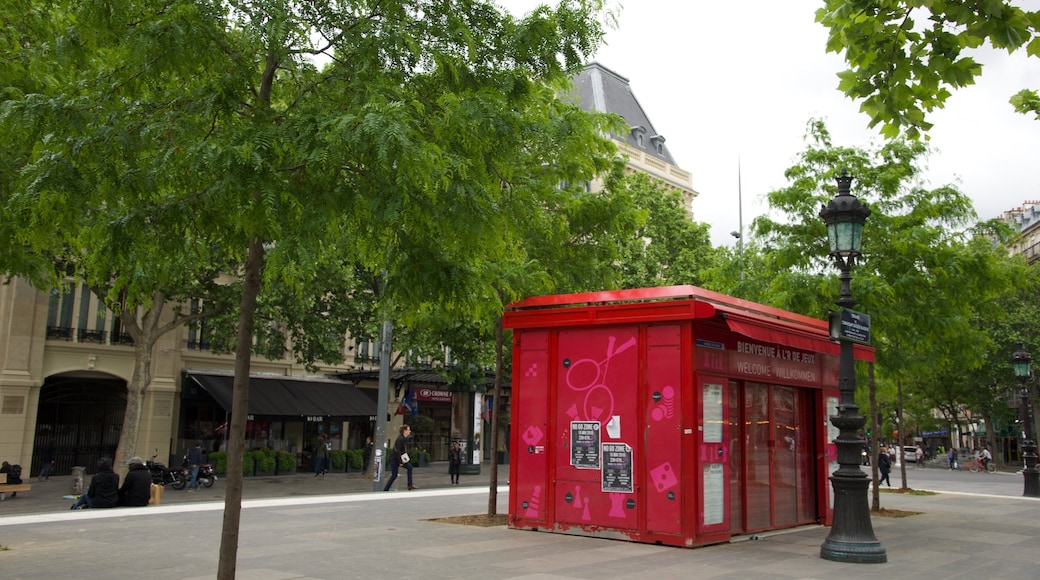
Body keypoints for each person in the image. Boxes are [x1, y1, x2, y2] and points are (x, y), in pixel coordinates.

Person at [383, 425, 416, 491]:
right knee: (394, 475)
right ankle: (386, 489)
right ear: (405, 431)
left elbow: (402, 451)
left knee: (408, 468)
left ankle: (410, 485)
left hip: (396, 459)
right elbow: (397, 450)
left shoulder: (403, 438)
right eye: (408, 430)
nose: (410, 431)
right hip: (395, 459)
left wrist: (405, 459)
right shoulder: (400, 439)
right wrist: (400, 461)